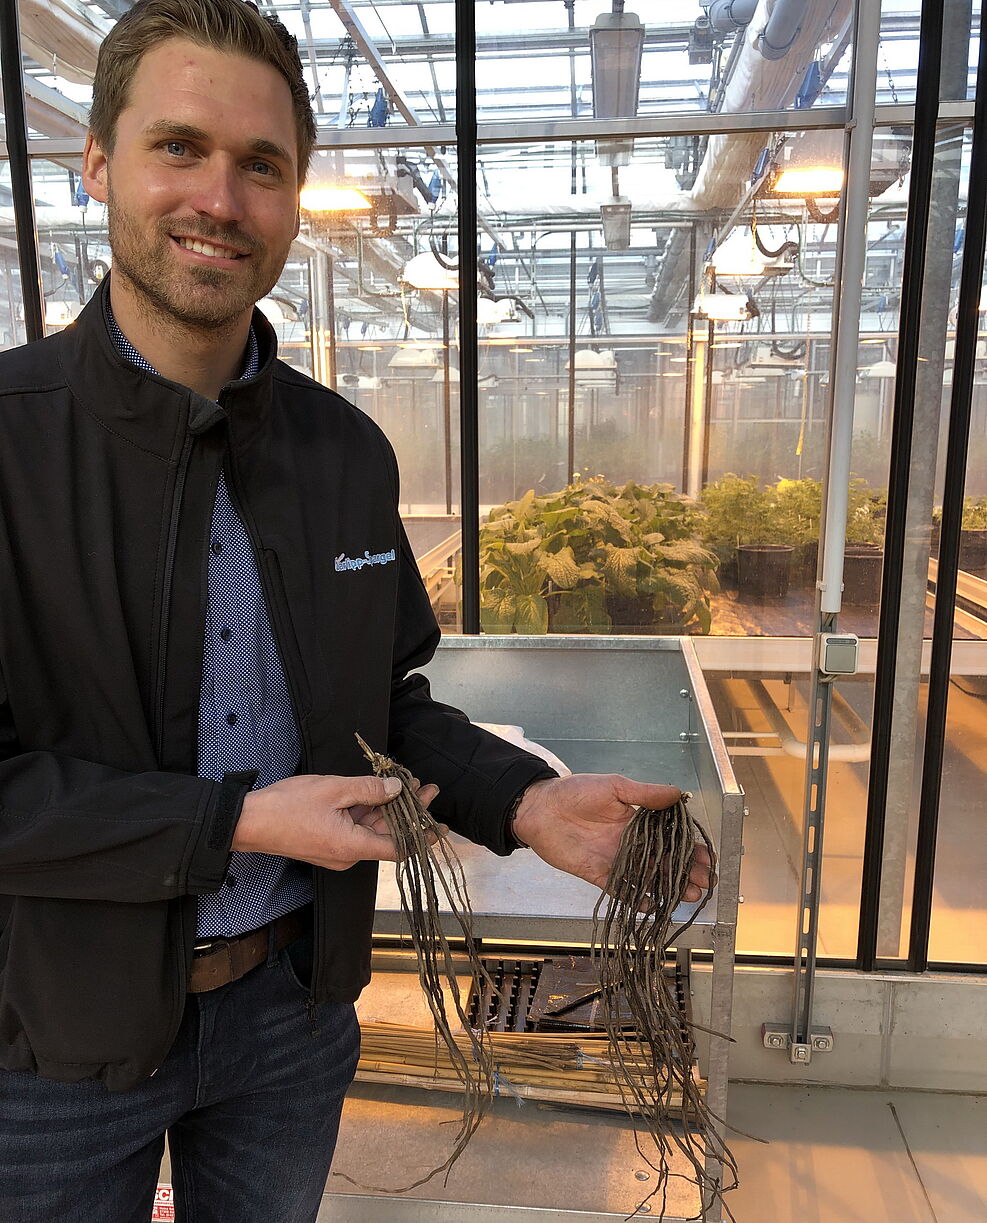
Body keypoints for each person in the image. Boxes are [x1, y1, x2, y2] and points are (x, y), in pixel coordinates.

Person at [0, 2, 711, 1220]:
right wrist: (232, 822)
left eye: (261, 165)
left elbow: (382, 707)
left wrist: (524, 801)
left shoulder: (342, 453)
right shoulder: (14, 445)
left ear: (293, 195)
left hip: (291, 1010)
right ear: (98, 164)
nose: (220, 197)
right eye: (180, 147)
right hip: (49, 1041)